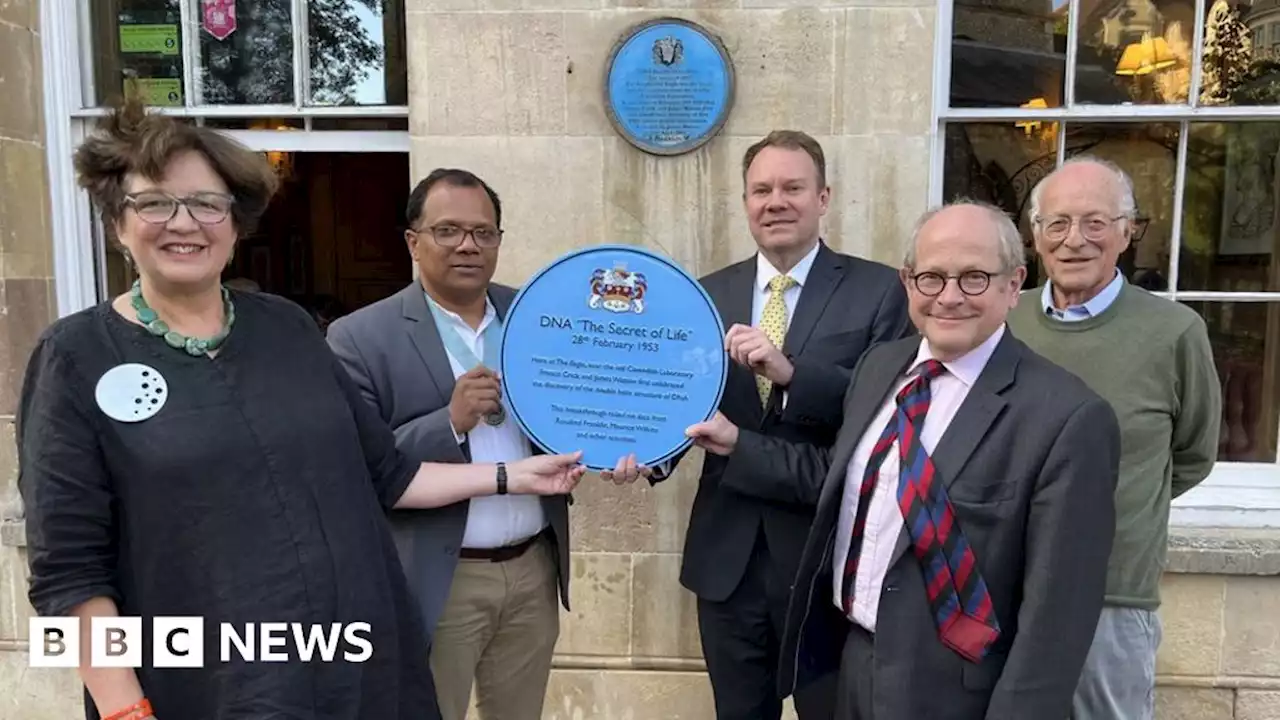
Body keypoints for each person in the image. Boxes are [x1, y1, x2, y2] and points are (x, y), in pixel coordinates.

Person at [16, 99, 585, 720]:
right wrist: (127, 711)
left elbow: (388, 474)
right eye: (155, 203)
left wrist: (519, 476)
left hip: (352, 676)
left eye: (208, 204)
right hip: (206, 688)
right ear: (117, 224)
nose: (185, 223)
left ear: (235, 224)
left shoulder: (286, 328)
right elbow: (68, 573)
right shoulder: (74, 356)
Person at [686, 201, 1122, 719]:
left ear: (1014, 285)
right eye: (932, 278)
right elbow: (835, 482)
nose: (950, 297)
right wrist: (737, 443)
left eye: (975, 278)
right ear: (908, 283)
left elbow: (1057, 624)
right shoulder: (881, 368)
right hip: (844, 669)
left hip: (954, 692)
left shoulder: (1068, 419)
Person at [330, 168, 638, 720]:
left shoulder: (541, 318)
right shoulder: (359, 337)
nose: (468, 245)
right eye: (448, 230)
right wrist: (447, 421)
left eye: (484, 232)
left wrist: (620, 442)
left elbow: (596, 398)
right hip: (439, 575)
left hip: (532, 567)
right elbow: (357, 468)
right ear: (413, 242)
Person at [644, 130, 913, 720]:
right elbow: (672, 402)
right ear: (745, 203)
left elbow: (881, 409)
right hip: (728, 563)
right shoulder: (705, 295)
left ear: (823, 198)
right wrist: (645, 451)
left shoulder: (880, 292)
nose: (775, 201)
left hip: (826, 563)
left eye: (793, 187)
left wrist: (792, 372)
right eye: (761, 189)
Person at [1009, 156, 1222, 720]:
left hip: (1112, 596)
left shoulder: (1175, 332)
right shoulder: (1004, 321)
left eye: (1095, 222)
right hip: (1000, 587)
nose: (1074, 240)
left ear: (1127, 233)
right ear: (1034, 237)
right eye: (1057, 223)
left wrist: (1114, 507)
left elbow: (1194, 455)